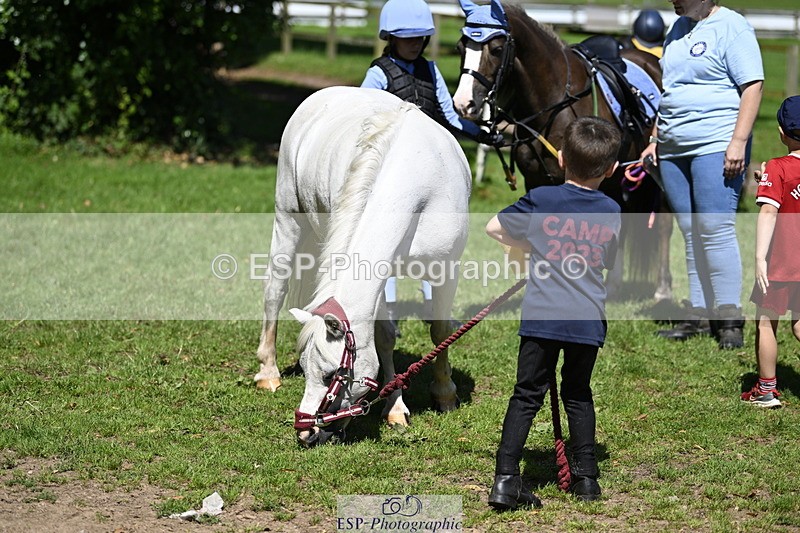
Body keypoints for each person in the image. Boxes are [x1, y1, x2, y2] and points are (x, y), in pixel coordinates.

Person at [485, 117, 622, 509]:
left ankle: (506, 479)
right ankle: (587, 480)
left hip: (542, 316)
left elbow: (494, 227)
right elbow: (607, 258)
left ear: (561, 158)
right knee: (578, 394)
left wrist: (535, 247)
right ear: (610, 170)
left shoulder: (542, 198)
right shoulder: (612, 210)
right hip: (586, 319)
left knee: (526, 395)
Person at [361, 0, 501, 335]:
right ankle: (387, 309)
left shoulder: (431, 70)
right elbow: (364, 118)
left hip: (428, 169)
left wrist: (483, 134)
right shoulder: (378, 74)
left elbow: (449, 117)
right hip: (391, 171)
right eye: (405, 37)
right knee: (388, 238)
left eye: (419, 37)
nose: (414, 43)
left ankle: (432, 304)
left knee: (436, 237)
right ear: (390, 38)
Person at [643, 0, 763, 349]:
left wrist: (739, 141)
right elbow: (670, 92)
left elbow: (752, 86)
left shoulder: (733, 27)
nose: (673, 0)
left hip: (716, 141)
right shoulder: (677, 29)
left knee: (714, 227)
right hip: (673, 146)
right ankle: (697, 311)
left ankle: (729, 317)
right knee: (691, 229)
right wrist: (654, 139)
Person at [742, 96, 800, 408]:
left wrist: (759, 259)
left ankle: (765, 390)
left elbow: (769, 212)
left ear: (781, 132)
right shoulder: (774, 172)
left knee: (766, 321)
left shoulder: (777, 168)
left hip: (781, 262)